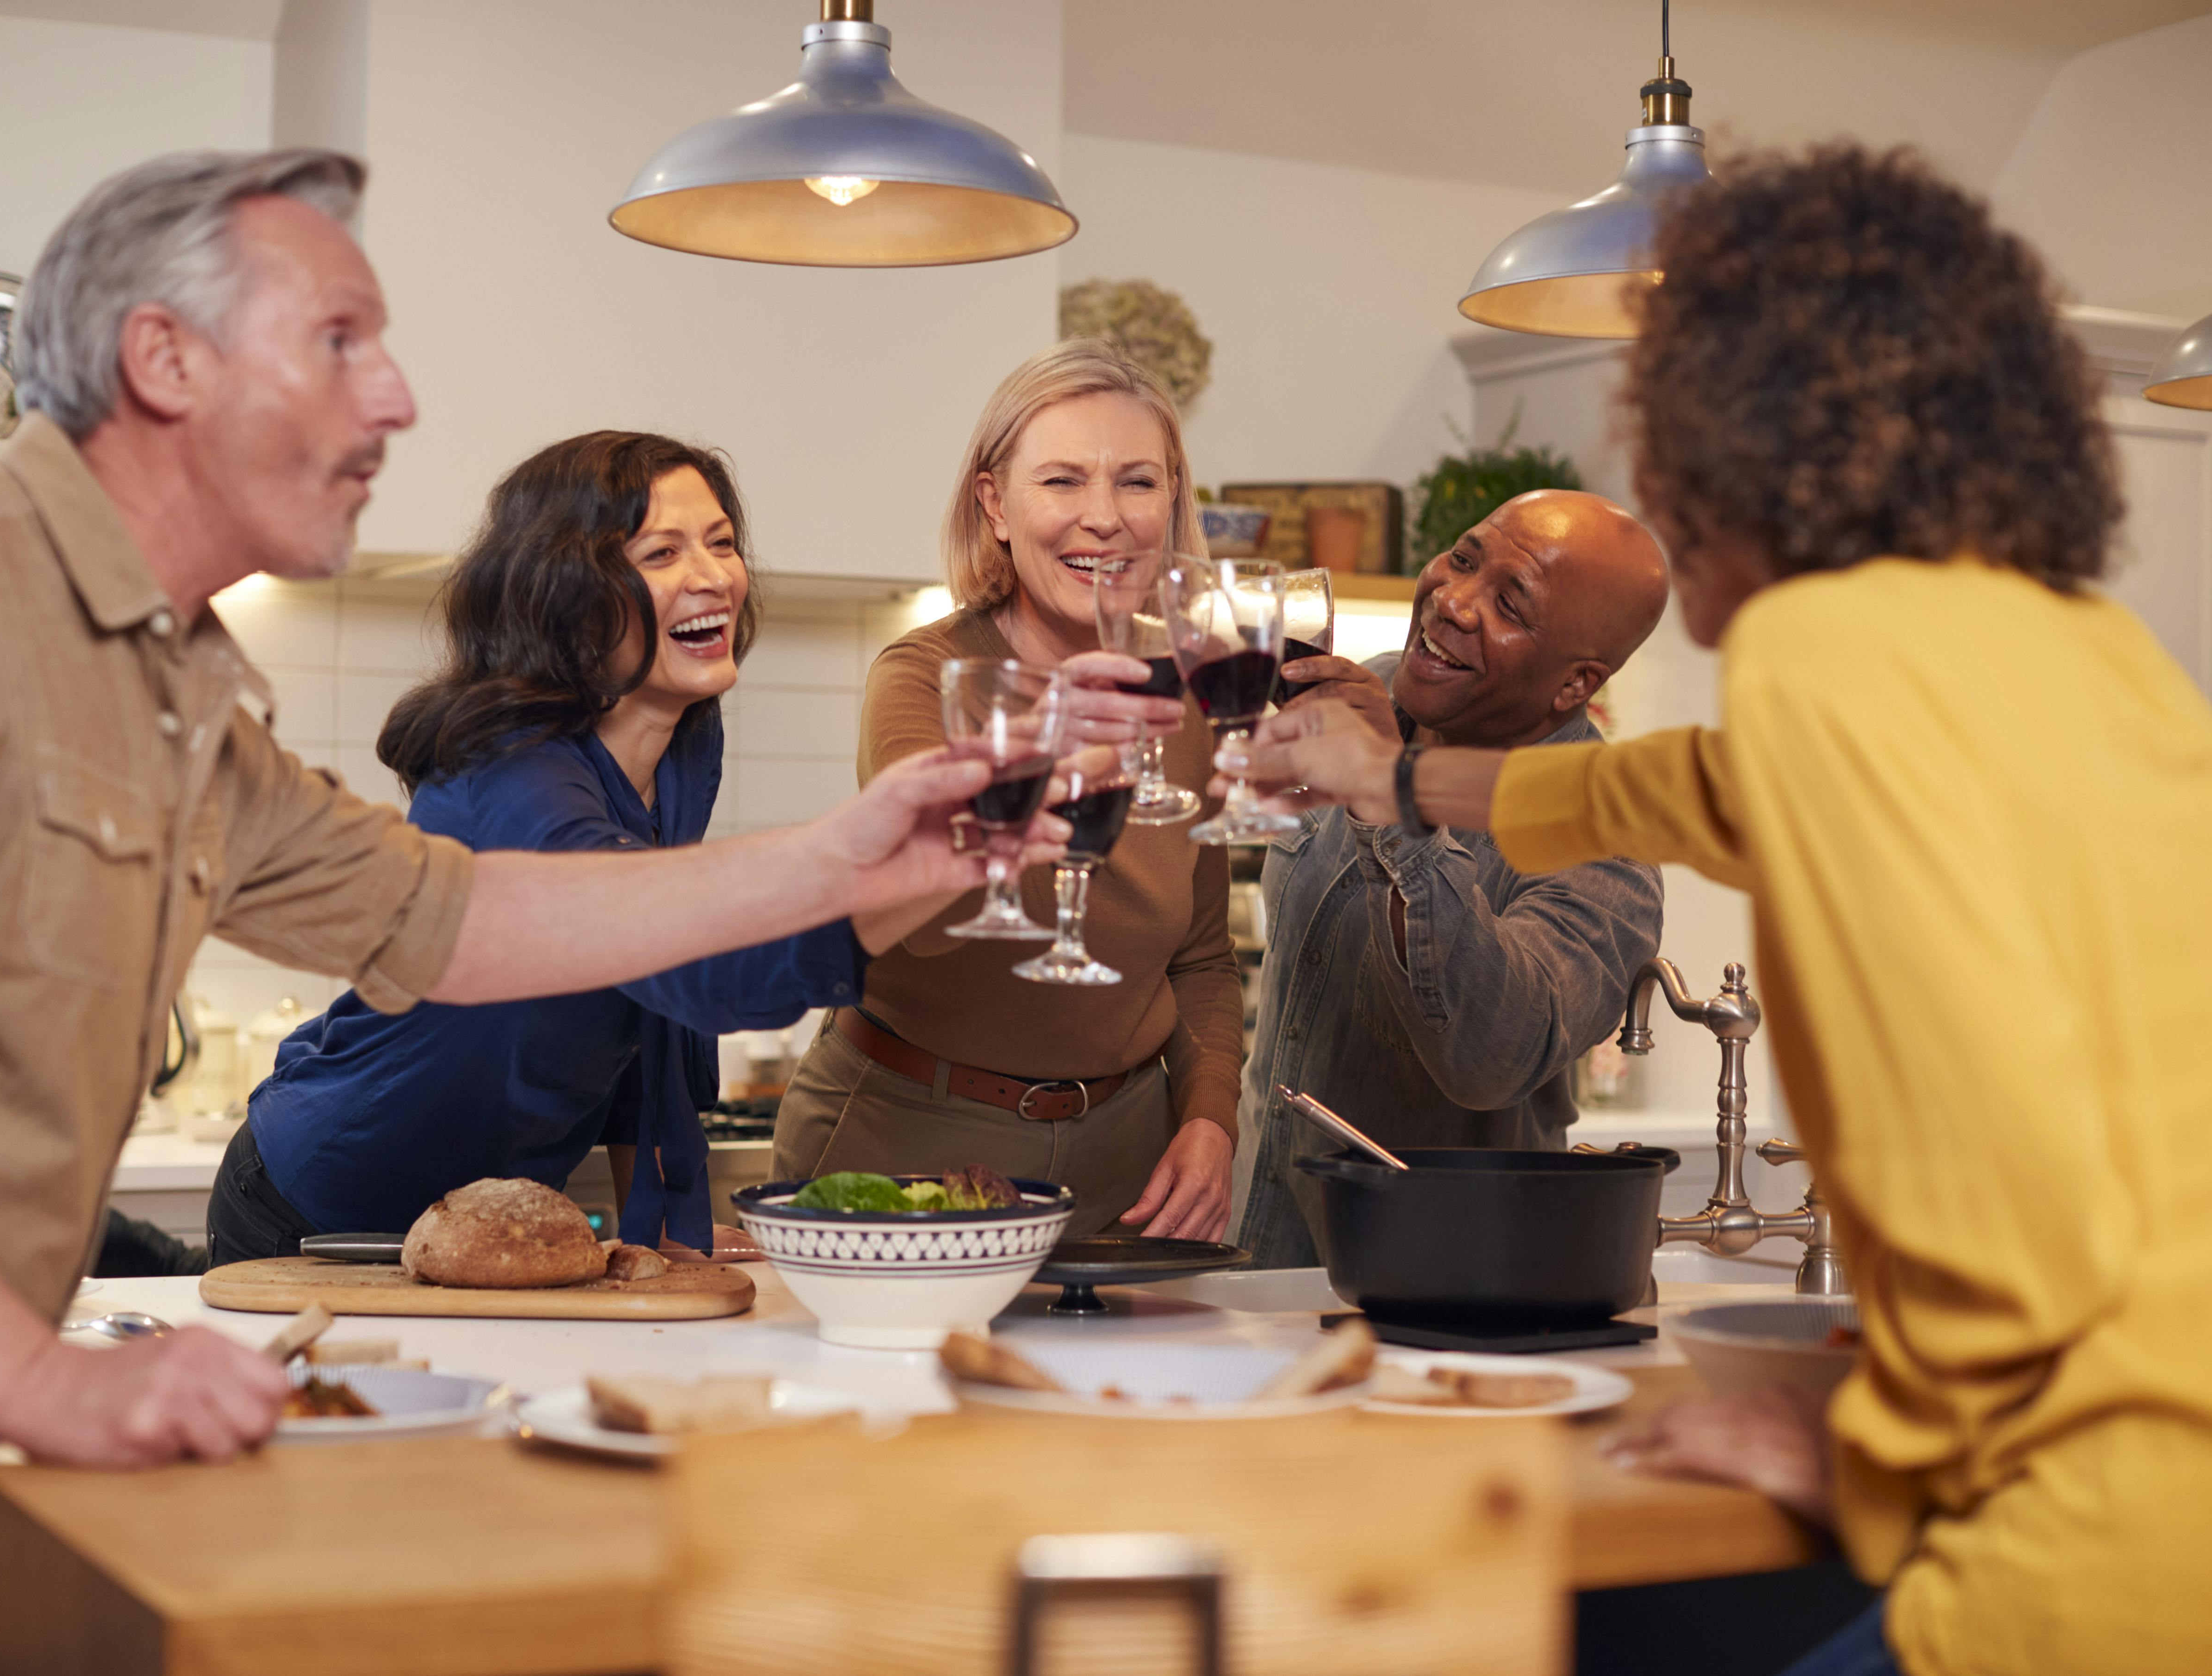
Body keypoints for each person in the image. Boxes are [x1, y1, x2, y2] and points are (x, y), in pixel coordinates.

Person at [0, 150, 1045, 1676]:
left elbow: (452, 919)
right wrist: (36, 1379)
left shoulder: (180, 685)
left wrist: (850, 859)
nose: (395, 396)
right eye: (341, 338)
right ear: (164, 359)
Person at [1228, 147, 2210, 1676]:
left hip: (2068, 1563)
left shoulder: (1826, 650)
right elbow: (1676, 792)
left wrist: (1862, 1459)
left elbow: (2005, 1175)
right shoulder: (2071, 648)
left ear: (1717, 435)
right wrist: (1402, 785)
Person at [209, 430, 950, 1264]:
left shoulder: (682, 749)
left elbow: (645, 1007)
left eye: (722, 543)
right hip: (333, 1196)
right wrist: (941, 856)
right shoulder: (512, 777)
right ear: (568, 591)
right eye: (662, 552)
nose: (714, 577)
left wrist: (670, 1226)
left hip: (487, 1216)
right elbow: (692, 963)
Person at [774, 339, 1239, 1241]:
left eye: (1138, 482)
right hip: (908, 1132)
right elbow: (927, 920)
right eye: (1062, 481)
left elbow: (1203, 958)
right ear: (994, 503)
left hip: (1127, 1159)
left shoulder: (1198, 689)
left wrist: (1210, 1116)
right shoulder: (929, 677)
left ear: (1174, 498)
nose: (1103, 518)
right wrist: (1058, 762)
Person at [1231, 490, 1668, 1269]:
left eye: (1511, 604)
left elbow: (1489, 1056)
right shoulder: (1369, 691)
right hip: (1258, 1264)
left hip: (1435, 1290)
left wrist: (1388, 797)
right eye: (1465, 559)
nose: (1454, 601)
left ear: (1575, 686)